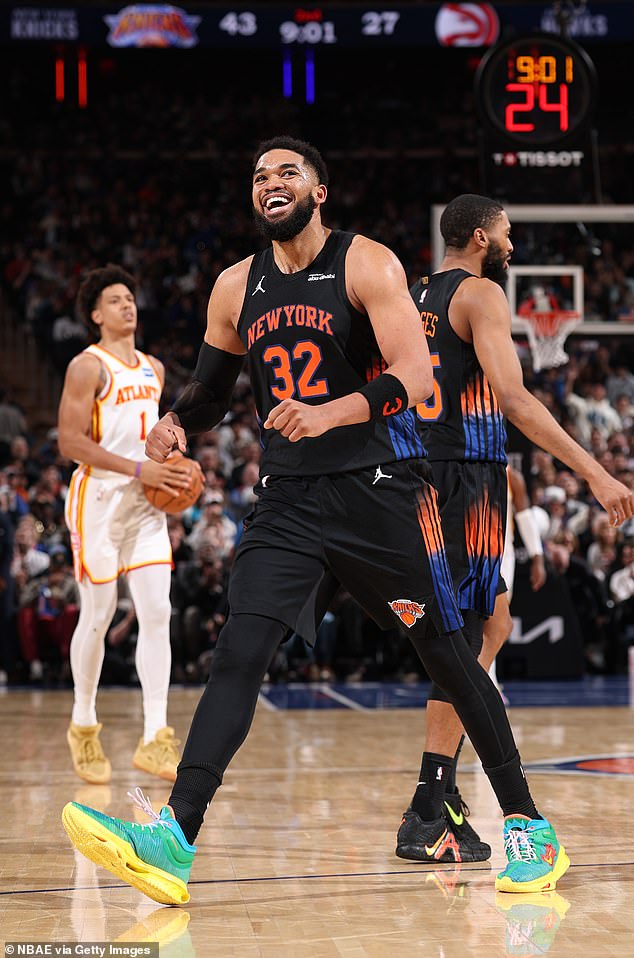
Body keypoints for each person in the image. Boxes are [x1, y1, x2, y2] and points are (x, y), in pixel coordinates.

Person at [61, 143, 630, 906]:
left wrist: (330, 412)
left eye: (286, 173)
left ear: (319, 191)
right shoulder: (234, 285)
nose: (271, 183)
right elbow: (212, 390)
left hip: (382, 493)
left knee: (451, 655)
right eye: (259, 176)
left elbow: (415, 376)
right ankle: (174, 836)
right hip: (289, 501)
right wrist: (174, 422)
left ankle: (528, 825)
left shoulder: (367, 263)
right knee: (239, 652)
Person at [396, 193, 633, 866]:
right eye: (506, 232)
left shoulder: (412, 295)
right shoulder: (480, 294)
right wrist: (594, 471)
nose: (512, 243)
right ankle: (430, 808)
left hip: (425, 471)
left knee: (493, 626)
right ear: (479, 237)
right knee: (463, 642)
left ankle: (436, 797)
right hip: (463, 478)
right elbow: (515, 398)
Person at [57, 264, 197, 784]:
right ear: (95, 315)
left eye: (130, 297)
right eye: (115, 300)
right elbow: (70, 442)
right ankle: (83, 724)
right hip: (97, 498)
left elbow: (147, 438)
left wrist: (174, 459)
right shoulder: (87, 367)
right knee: (98, 615)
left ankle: (155, 736)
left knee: (158, 611)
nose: (127, 305)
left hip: (144, 501)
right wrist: (140, 469)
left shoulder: (154, 368)